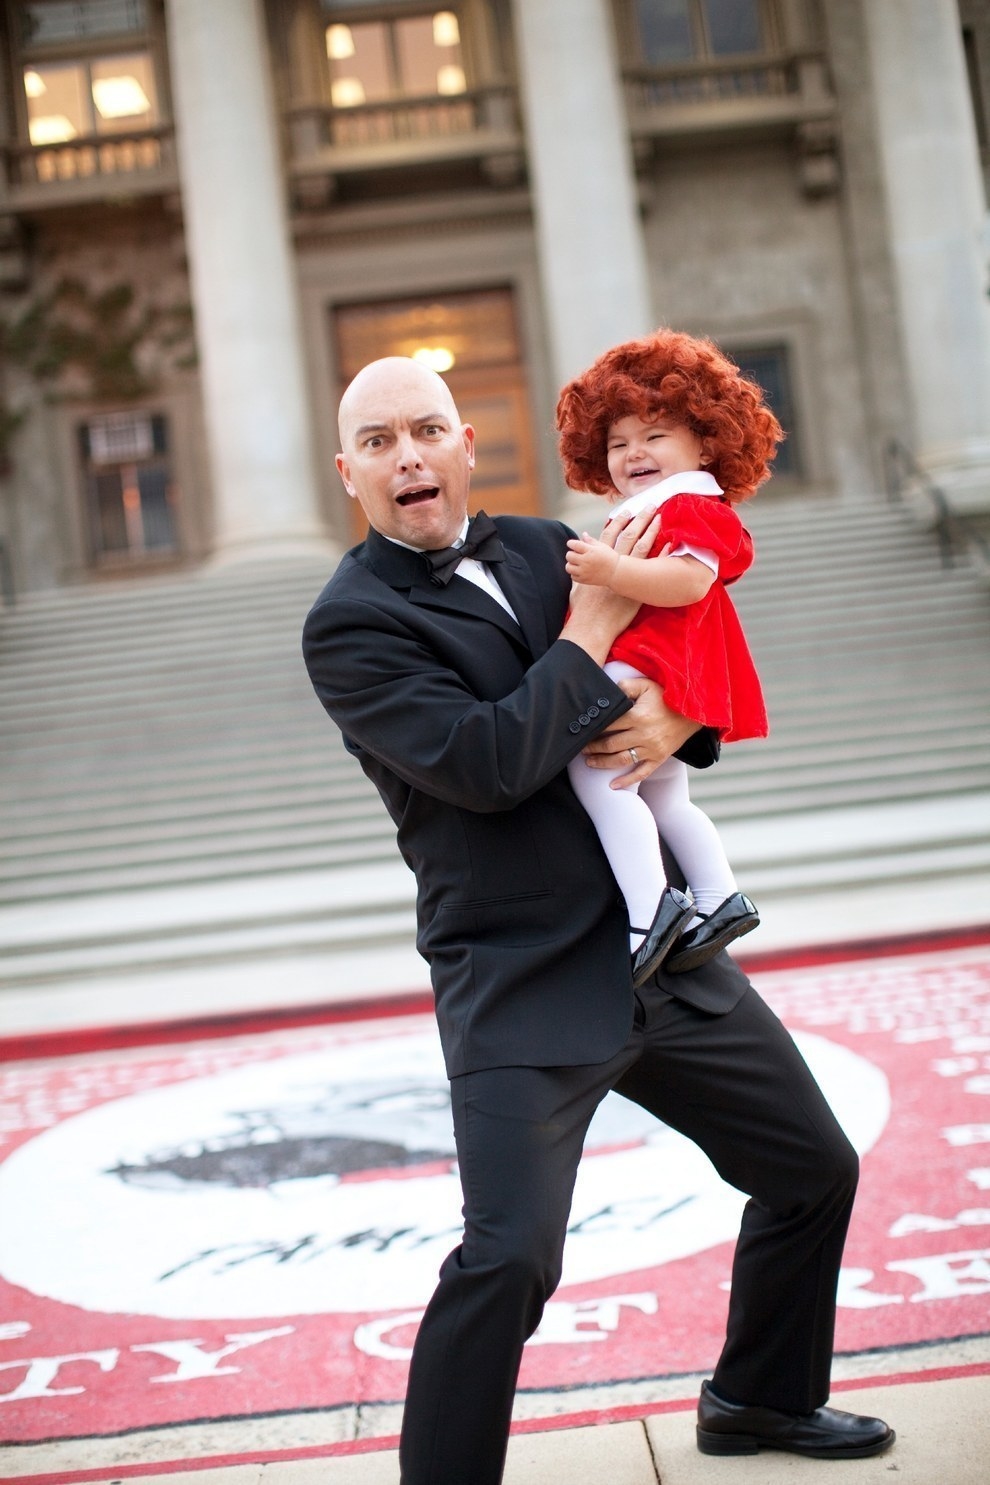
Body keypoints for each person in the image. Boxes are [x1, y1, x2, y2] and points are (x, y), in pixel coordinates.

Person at [302, 355, 894, 1483]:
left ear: (468, 445)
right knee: (509, 1258)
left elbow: (688, 653)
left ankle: (761, 1399)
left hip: (661, 950)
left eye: (427, 429)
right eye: (379, 442)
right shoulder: (350, 625)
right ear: (350, 473)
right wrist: (600, 616)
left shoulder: (542, 545)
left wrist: (679, 723)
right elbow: (487, 765)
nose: (409, 456)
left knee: (814, 1166)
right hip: (520, 972)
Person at [555, 329, 779, 986]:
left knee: (598, 776)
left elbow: (689, 581)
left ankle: (650, 909)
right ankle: (716, 896)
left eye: (655, 435)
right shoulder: (660, 506)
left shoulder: (689, 505)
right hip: (659, 667)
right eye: (618, 443)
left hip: (649, 665)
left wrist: (611, 569)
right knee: (664, 801)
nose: (634, 454)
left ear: (705, 440)